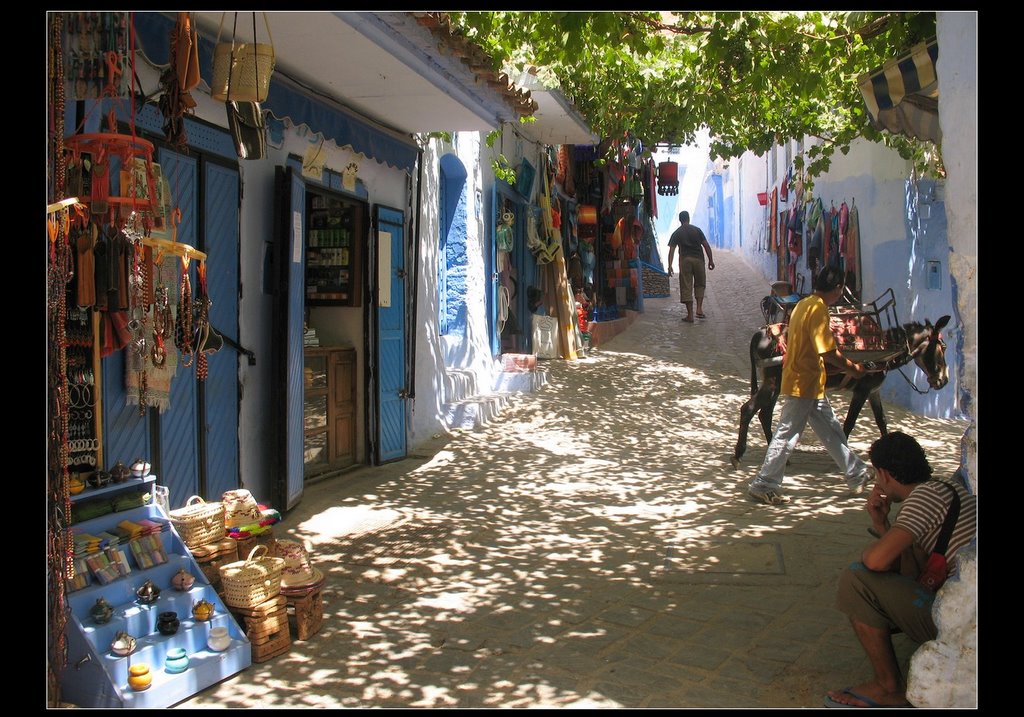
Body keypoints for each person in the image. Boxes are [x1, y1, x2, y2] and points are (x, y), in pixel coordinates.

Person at [825, 432, 977, 708]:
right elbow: (911, 573)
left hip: (963, 626)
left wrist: (874, 549)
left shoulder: (924, 497)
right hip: (964, 614)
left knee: (857, 578)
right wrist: (883, 525)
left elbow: (875, 562)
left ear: (883, 474)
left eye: (875, 475)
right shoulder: (941, 488)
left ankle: (888, 687)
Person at [747, 266, 872, 505]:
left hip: (809, 382)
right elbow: (827, 351)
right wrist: (853, 369)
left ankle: (857, 474)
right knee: (787, 434)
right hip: (803, 383)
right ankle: (763, 483)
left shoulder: (803, 305)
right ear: (837, 289)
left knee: (831, 430)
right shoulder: (818, 310)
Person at [666, 211, 714, 322]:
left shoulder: (677, 232)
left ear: (680, 220)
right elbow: (706, 245)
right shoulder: (697, 230)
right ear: (688, 218)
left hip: (685, 260)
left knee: (686, 285)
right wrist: (711, 260)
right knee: (700, 284)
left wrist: (669, 266)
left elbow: (671, 250)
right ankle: (699, 309)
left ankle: (690, 315)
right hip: (699, 260)